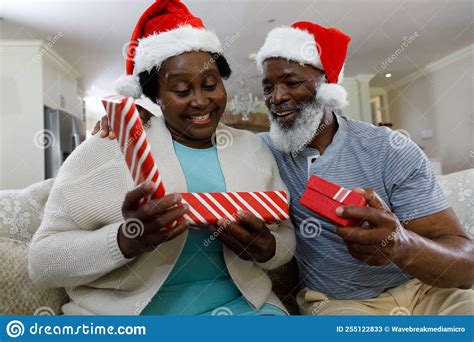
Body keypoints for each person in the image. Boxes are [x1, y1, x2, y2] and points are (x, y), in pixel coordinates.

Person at [28, 0, 295, 316]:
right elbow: (41, 263)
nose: (200, 101)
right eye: (182, 90)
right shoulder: (110, 145)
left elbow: (285, 235)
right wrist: (126, 240)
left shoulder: (253, 149)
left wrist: (268, 249)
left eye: (210, 85)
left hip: (243, 310)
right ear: (155, 96)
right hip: (124, 319)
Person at [255, 21, 473, 315]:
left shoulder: (389, 149)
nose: (276, 97)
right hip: (340, 302)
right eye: (268, 87)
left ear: (328, 88)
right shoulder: (260, 152)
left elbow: (466, 266)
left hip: (427, 291)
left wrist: (401, 245)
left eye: (292, 83)